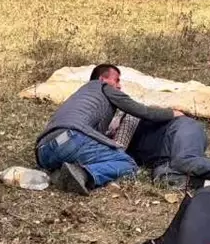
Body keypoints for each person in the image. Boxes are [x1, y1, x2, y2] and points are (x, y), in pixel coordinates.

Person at [35, 64, 184, 194]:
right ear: (102, 79)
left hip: (43, 151)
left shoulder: (80, 96)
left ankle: (60, 172)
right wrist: (173, 113)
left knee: (76, 150)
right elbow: (142, 111)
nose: (119, 86)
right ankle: (84, 174)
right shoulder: (104, 88)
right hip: (71, 139)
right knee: (127, 164)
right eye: (117, 80)